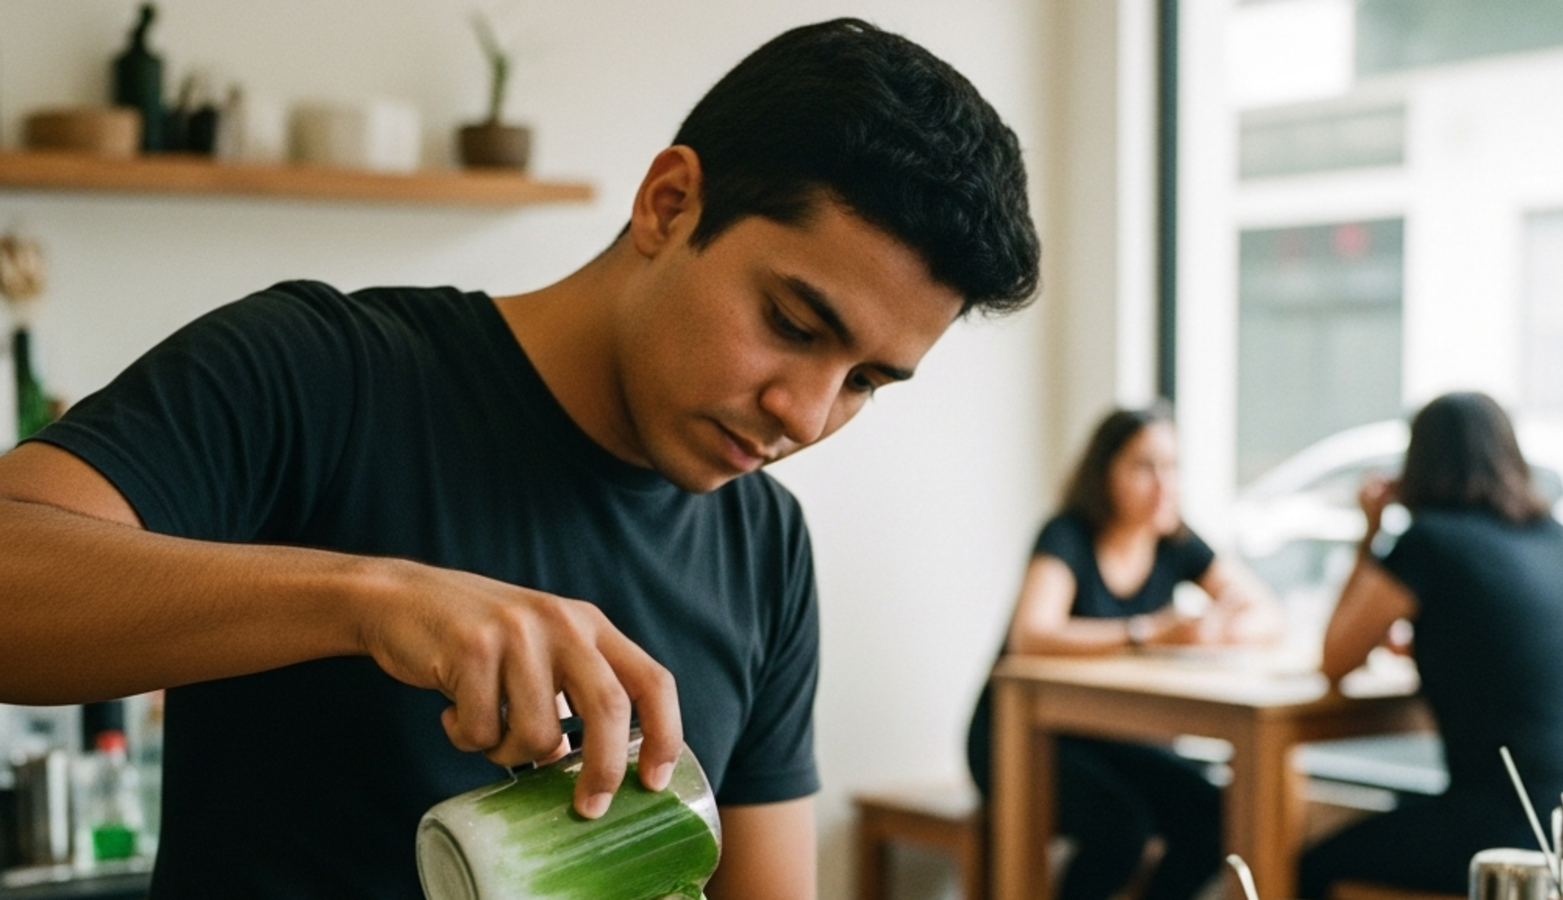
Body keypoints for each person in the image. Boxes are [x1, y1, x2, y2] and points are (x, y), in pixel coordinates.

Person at [0, 18, 1040, 899]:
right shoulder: (326, 373)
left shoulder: (762, 546)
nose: (806, 417)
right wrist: (374, 600)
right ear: (668, 204)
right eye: (791, 322)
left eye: (865, 382)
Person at [966, 404, 1280, 900]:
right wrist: (1148, 633)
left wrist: (1219, 629)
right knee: (1122, 827)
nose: (1163, 483)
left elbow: (1264, 610)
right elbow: (1032, 636)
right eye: (1144, 466)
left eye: (1172, 466)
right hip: (1017, 735)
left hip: (1107, 736)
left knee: (1214, 817)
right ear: (1103, 473)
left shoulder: (1175, 539)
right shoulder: (1066, 534)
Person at [1299, 392, 1563, 899]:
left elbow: (1335, 659)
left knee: (1311, 866)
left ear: (1418, 463)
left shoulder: (1428, 542)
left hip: (1504, 828)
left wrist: (1370, 528)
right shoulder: (1556, 537)